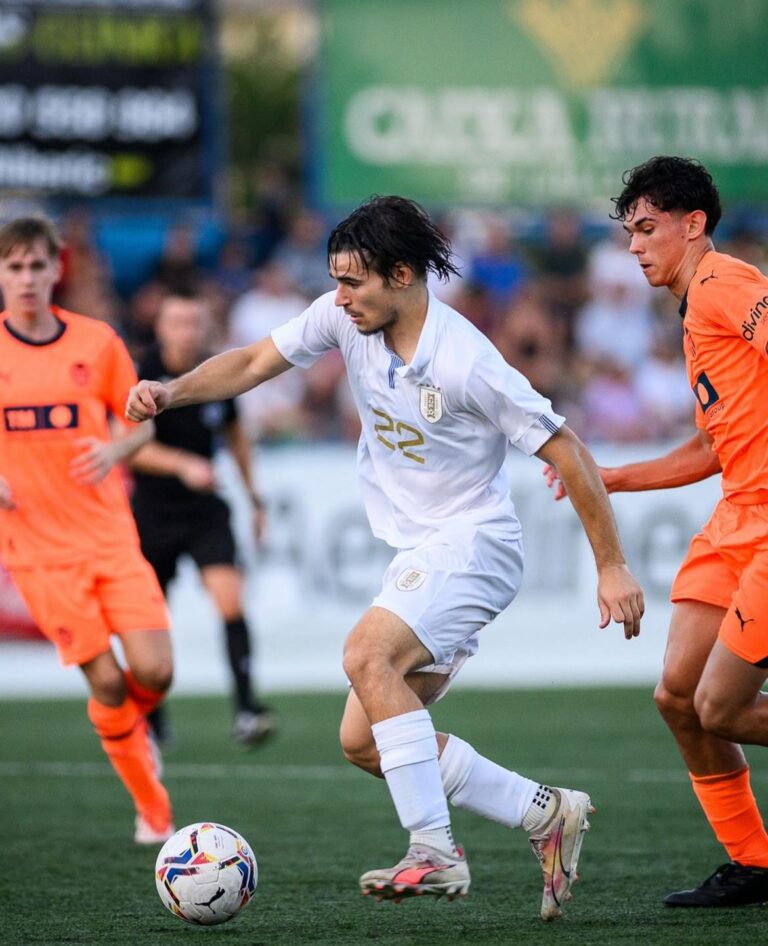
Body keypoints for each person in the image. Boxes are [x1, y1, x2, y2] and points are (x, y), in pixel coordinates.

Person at [126, 195, 643, 920]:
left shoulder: (468, 362)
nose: (339, 297)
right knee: (365, 741)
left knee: (366, 653)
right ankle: (545, 812)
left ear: (402, 275)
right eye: (335, 280)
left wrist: (612, 565)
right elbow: (251, 361)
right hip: (422, 548)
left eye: (353, 282)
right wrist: (171, 390)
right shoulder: (344, 318)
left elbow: (568, 449)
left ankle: (434, 853)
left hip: (474, 545)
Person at [545, 155, 768, 908]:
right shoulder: (693, 309)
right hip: (735, 516)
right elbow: (709, 449)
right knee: (678, 697)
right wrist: (608, 477)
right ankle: (756, 864)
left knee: (722, 707)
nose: (634, 246)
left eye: (646, 229)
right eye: (628, 232)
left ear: (693, 225)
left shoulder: (721, 281)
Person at [0, 216, 174, 845]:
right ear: (1, 274)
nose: (26, 278)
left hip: (110, 538)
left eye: (36, 265)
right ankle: (152, 807)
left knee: (155, 673)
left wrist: (114, 450)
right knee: (104, 679)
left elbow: (143, 424)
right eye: (13, 267)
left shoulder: (96, 342)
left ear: (56, 269)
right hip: (38, 552)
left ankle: (125, 728)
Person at [129, 293, 275, 747]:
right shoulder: (139, 376)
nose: (187, 331)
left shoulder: (214, 375)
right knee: (150, 619)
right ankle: (152, 718)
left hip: (204, 510)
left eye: (194, 322)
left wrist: (254, 498)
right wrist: (181, 465)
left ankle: (247, 710)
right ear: (161, 328)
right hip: (153, 512)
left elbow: (235, 436)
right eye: (178, 322)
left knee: (231, 602)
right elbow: (128, 444)